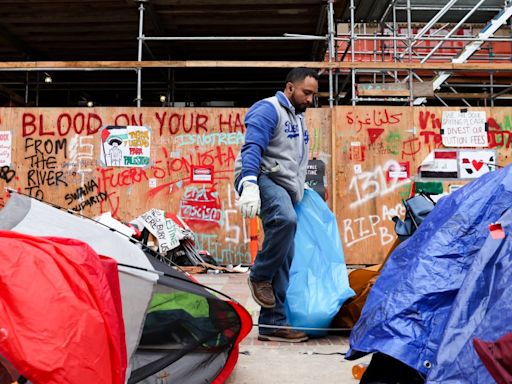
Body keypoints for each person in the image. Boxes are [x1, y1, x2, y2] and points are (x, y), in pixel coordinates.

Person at [234, 67, 319, 342]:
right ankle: (258, 275)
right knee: (285, 220)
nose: (310, 99)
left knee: (285, 254)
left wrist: (300, 187)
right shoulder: (268, 109)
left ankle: (272, 324)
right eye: (306, 92)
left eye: (313, 95)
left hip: (283, 185)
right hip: (261, 176)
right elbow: (253, 148)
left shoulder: (298, 117)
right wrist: (249, 184)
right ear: (290, 88)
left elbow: (293, 158)